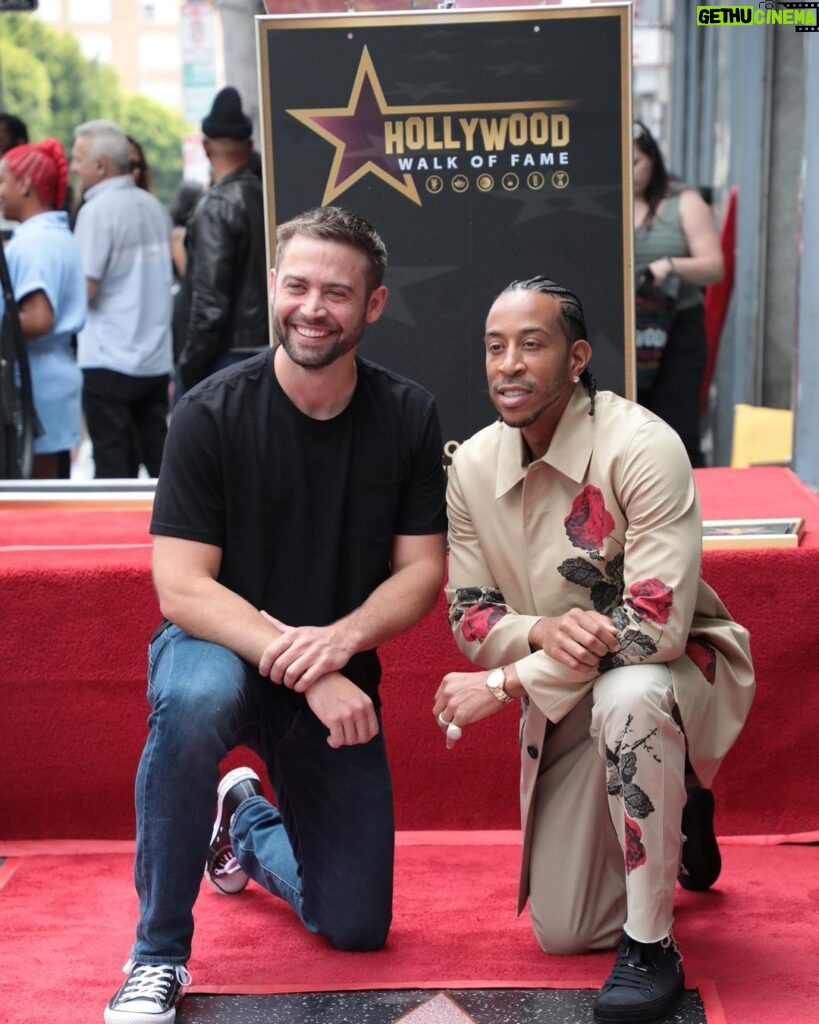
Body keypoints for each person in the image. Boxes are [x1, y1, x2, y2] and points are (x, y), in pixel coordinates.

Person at [104, 205, 448, 1023]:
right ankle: (155, 955)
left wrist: (341, 646)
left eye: (336, 291)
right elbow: (182, 588)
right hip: (214, 648)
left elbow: (422, 571)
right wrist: (316, 664)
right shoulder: (209, 412)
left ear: (372, 304)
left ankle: (245, 822)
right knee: (191, 704)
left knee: (356, 925)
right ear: (273, 291)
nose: (312, 307)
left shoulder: (407, 415)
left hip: (331, 668)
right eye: (296, 286)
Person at [434, 276, 754, 1024]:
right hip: (569, 690)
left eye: (531, 344)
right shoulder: (473, 466)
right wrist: (540, 631)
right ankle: (679, 806)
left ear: (577, 357)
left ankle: (651, 946)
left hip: (674, 673)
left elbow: (653, 627)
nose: (507, 363)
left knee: (632, 692)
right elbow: (468, 612)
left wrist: (509, 679)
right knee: (566, 932)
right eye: (494, 347)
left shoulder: (643, 446)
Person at [71, 119, 173, 478]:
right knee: (161, 463)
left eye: (78, 158)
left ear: (100, 165)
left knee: (114, 470)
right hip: (154, 358)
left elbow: (85, 290)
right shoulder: (154, 207)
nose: (73, 167)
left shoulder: (96, 211)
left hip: (107, 358)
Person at [633, 120, 723, 467]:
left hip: (676, 330)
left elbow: (715, 267)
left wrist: (671, 265)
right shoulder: (605, 203)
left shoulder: (683, 202)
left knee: (679, 427)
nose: (629, 172)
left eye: (637, 162)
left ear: (653, 160)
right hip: (624, 333)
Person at [0, 138, 86, 478]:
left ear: (24, 184)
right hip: (49, 380)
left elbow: (38, 318)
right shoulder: (50, 235)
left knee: (38, 497)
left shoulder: (36, 241)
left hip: (37, 385)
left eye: (3, 180)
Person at [174, 86, 268, 395]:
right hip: (267, 350)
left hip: (227, 358)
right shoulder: (267, 198)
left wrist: (188, 368)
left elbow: (211, 308)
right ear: (249, 145)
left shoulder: (216, 206)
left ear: (205, 146)